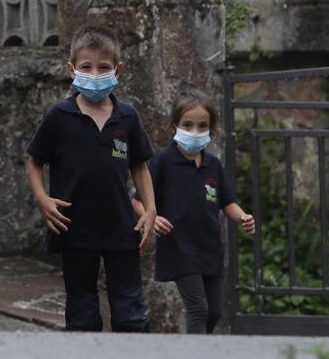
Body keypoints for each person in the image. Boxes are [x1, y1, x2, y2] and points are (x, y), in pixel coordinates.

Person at [25, 26, 157, 332]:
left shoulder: (128, 117)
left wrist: (150, 209)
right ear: (72, 69)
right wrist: (41, 199)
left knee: (130, 314)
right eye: (86, 67)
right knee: (82, 313)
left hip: (122, 227)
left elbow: (139, 166)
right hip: (74, 228)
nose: (94, 74)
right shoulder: (59, 115)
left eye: (103, 67)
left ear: (118, 70)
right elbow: (34, 161)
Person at [136, 92, 255, 334]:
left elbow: (227, 201)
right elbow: (137, 201)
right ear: (174, 126)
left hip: (210, 247)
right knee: (198, 308)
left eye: (203, 126)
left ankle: (197, 346)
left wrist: (242, 216)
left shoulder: (214, 166)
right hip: (178, 248)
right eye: (187, 125)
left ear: (212, 129)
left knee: (214, 312)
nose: (195, 131)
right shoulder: (162, 162)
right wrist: (152, 217)